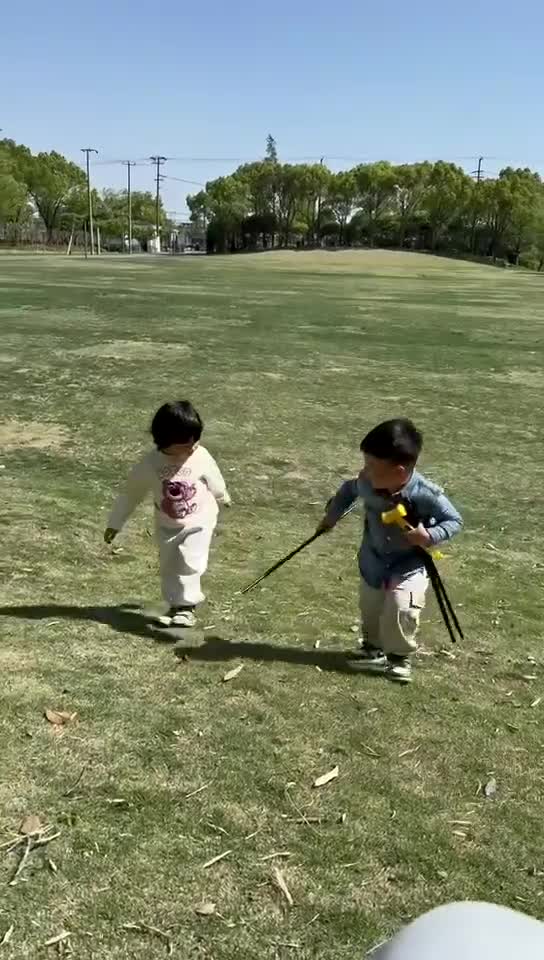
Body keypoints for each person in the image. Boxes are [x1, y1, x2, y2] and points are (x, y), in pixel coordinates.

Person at [316, 419, 462, 683]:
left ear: (399, 471)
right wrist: (332, 515)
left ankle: (398, 657)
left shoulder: (426, 494)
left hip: (409, 563)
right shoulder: (366, 483)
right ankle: (372, 649)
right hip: (372, 559)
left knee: (401, 607)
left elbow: (454, 520)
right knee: (370, 607)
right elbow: (348, 490)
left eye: (371, 466)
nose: (364, 472)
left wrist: (428, 536)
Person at [104, 400, 230, 627]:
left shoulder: (200, 455)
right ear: (166, 442)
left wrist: (222, 495)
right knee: (170, 563)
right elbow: (131, 494)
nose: (192, 448)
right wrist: (115, 523)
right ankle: (175, 604)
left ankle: (187, 608)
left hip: (199, 519)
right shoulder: (150, 464)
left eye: (196, 441)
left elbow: (213, 476)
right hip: (167, 523)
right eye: (185, 445)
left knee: (187, 558)